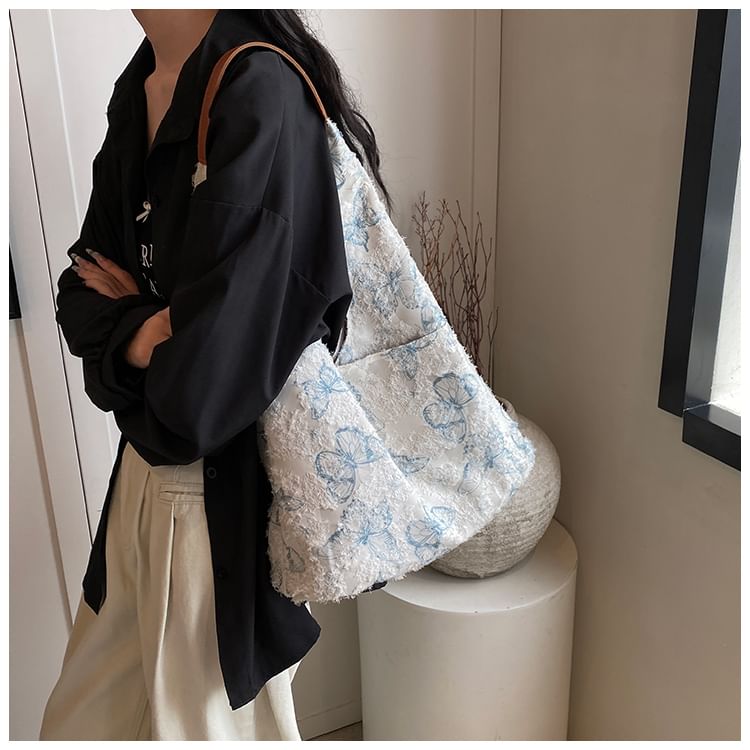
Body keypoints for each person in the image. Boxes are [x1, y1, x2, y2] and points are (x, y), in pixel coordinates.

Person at [39, 9, 391, 741]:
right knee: (80, 723)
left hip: (215, 508)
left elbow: (199, 398)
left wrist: (128, 335)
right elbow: (78, 289)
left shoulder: (257, 91)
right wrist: (148, 332)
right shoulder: (141, 83)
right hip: (140, 489)